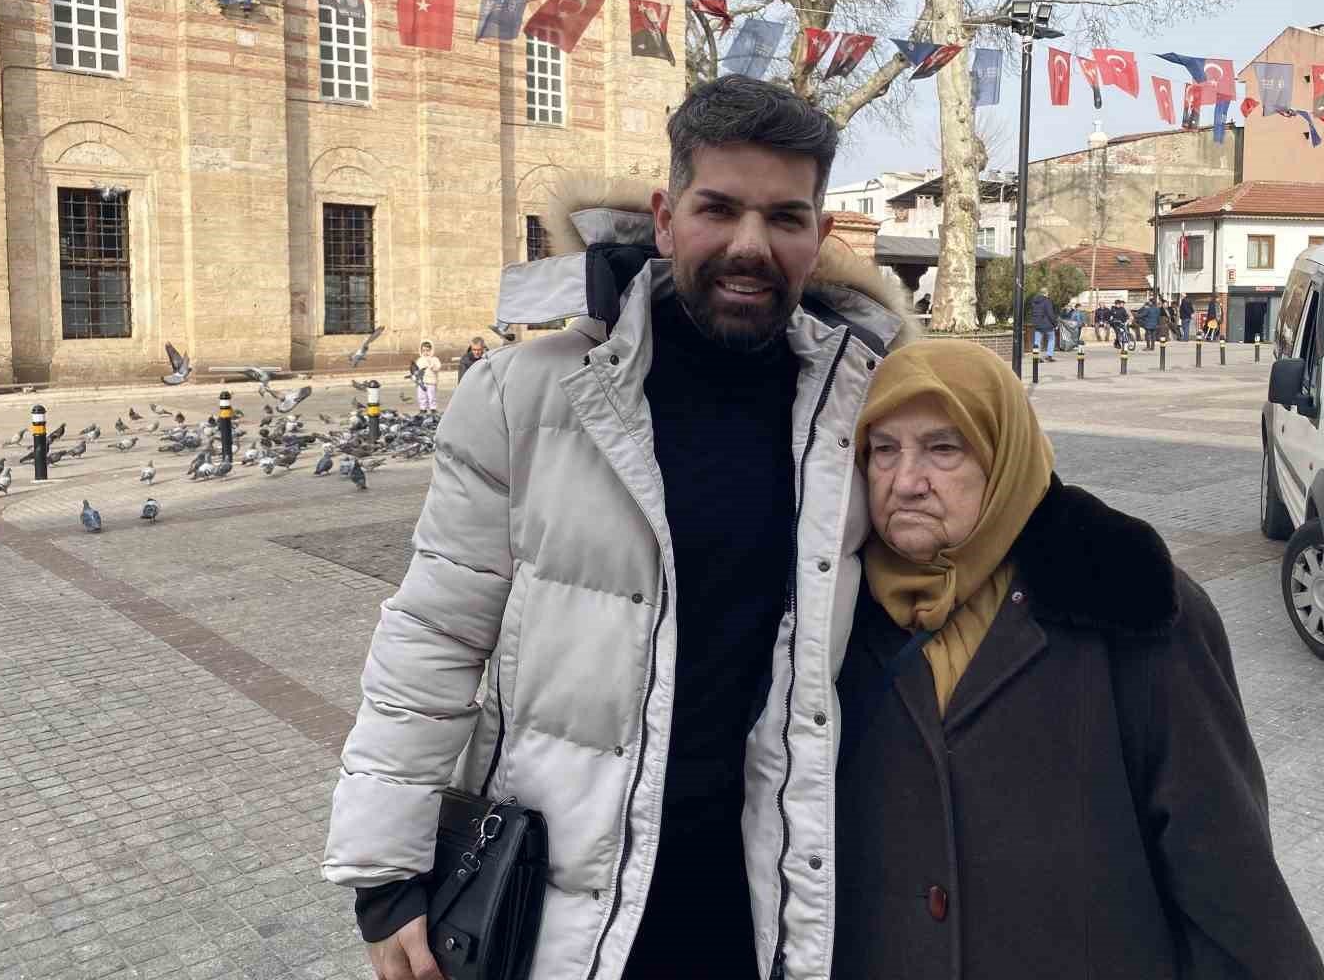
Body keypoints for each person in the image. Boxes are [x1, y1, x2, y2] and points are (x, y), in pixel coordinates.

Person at [325, 75, 913, 980]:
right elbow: (435, 630)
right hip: (565, 899)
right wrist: (383, 870)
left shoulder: (862, 409)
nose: (751, 245)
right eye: (719, 208)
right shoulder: (529, 394)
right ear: (667, 216)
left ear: (820, 236)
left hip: (763, 899)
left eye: (786, 217)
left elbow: (969, 539)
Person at [832, 341, 1324, 979]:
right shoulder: (831, 621)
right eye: (884, 450)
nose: (905, 481)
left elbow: (1226, 872)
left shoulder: (1129, 606)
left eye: (943, 448)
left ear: (1002, 457)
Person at [1028, 290, 1057, 361]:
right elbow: (1050, 314)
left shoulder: (1034, 302)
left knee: (1037, 341)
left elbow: (1033, 313)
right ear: (1045, 293)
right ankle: (1049, 356)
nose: (1048, 295)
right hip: (1048, 325)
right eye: (1048, 293)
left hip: (1038, 325)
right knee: (1051, 339)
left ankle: (1036, 357)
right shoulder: (1047, 301)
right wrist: (1055, 324)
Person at [412, 341, 441, 411]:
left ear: (432, 350)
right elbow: (416, 369)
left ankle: (433, 408)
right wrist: (414, 377)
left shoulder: (434, 359)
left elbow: (438, 367)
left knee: (431, 396)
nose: (426, 353)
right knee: (421, 396)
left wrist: (432, 365)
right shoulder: (420, 360)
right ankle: (423, 408)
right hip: (421, 382)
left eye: (428, 350)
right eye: (424, 351)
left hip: (431, 381)